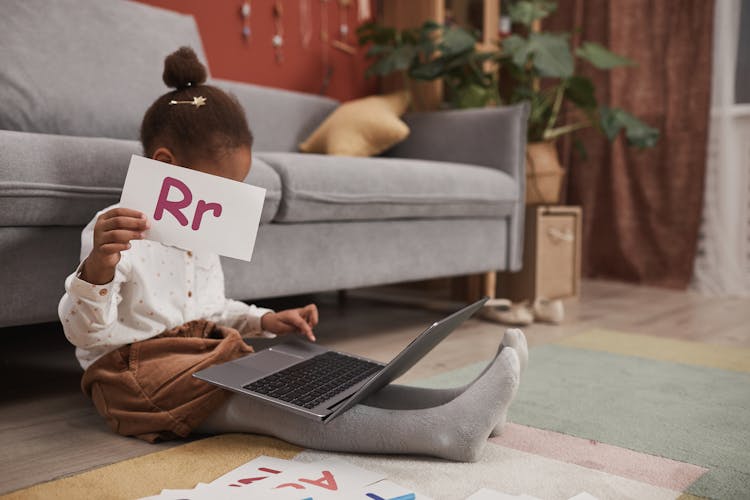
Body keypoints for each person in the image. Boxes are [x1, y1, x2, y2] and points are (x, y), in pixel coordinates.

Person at [59, 47, 528, 462]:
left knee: (303, 375)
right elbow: (86, 336)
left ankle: (452, 402)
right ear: (166, 168)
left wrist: (264, 321)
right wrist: (98, 268)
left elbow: (209, 311)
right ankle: (442, 432)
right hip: (133, 376)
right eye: (225, 189)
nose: (230, 203)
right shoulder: (113, 235)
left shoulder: (200, 234)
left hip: (205, 355)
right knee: (269, 403)